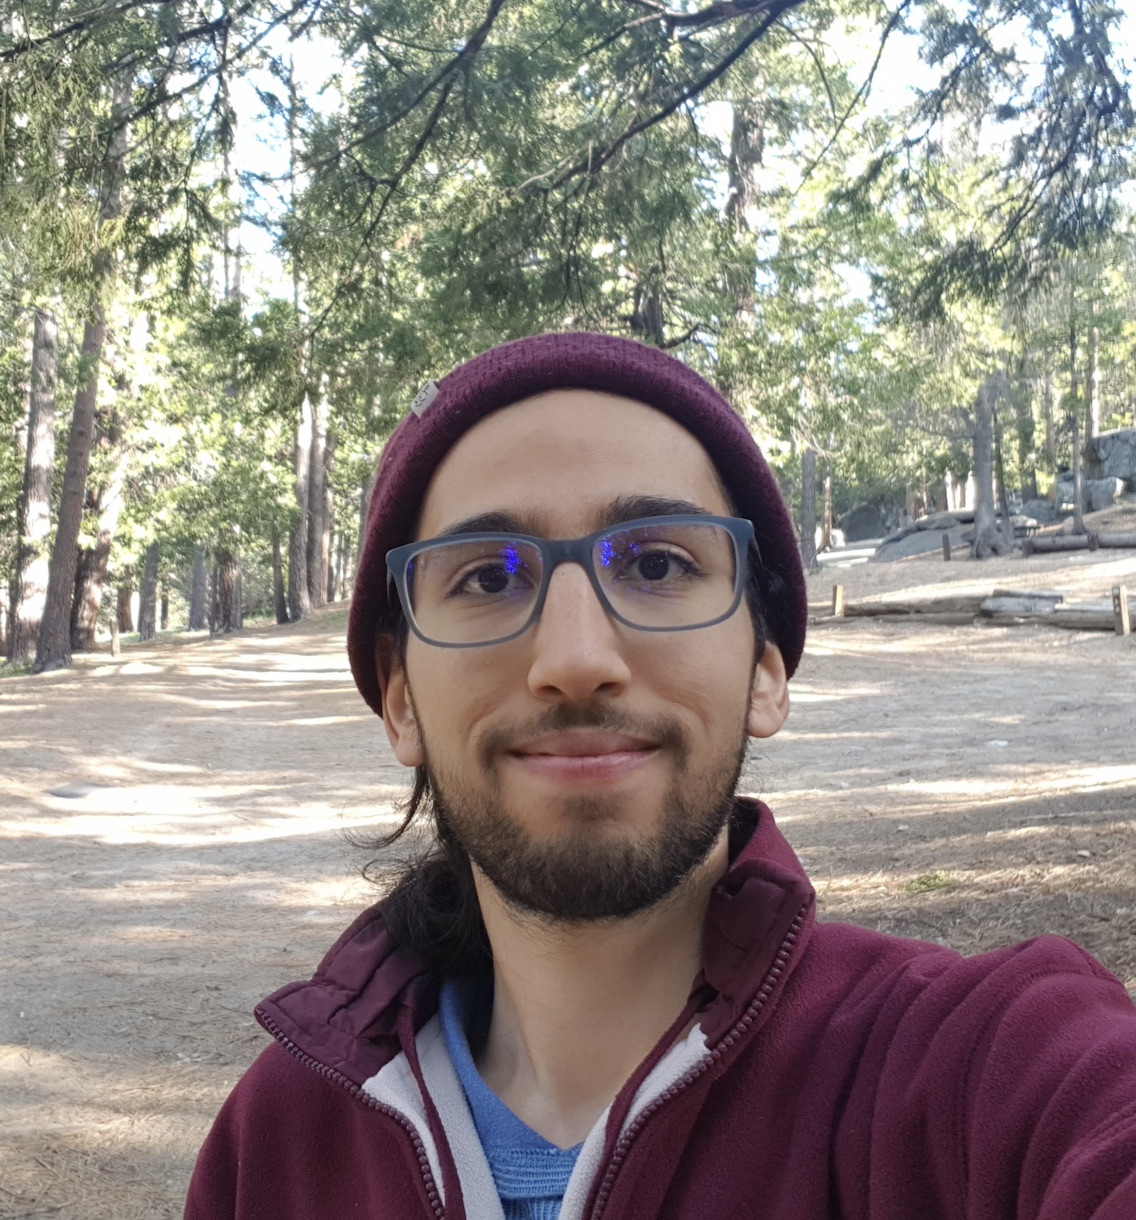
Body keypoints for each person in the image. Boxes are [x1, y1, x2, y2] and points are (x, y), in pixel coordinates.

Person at [185, 332, 1136, 1220]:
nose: (575, 659)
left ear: (764, 670)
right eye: (489, 578)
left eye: (655, 563)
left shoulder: (973, 1074)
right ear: (400, 700)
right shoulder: (278, 1143)